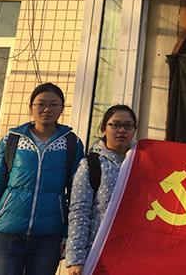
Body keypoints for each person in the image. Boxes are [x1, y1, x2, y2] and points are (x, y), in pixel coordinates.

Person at [0, 82, 85, 275]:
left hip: (49, 236)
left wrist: (68, 236)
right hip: (7, 234)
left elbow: (77, 196)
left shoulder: (72, 143)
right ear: (30, 107)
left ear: (61, 109)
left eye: (54, 104)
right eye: (41, 104)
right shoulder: (12, 140)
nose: (47, 109)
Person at [66, 105, 137, 275]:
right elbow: (79, 212)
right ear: (104, 129)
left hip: (133, 252)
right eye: (115, 125)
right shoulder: (90, 165)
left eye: (128, 125)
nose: (122, 130)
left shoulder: (143, 164)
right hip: (98, 252)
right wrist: (76, 259)